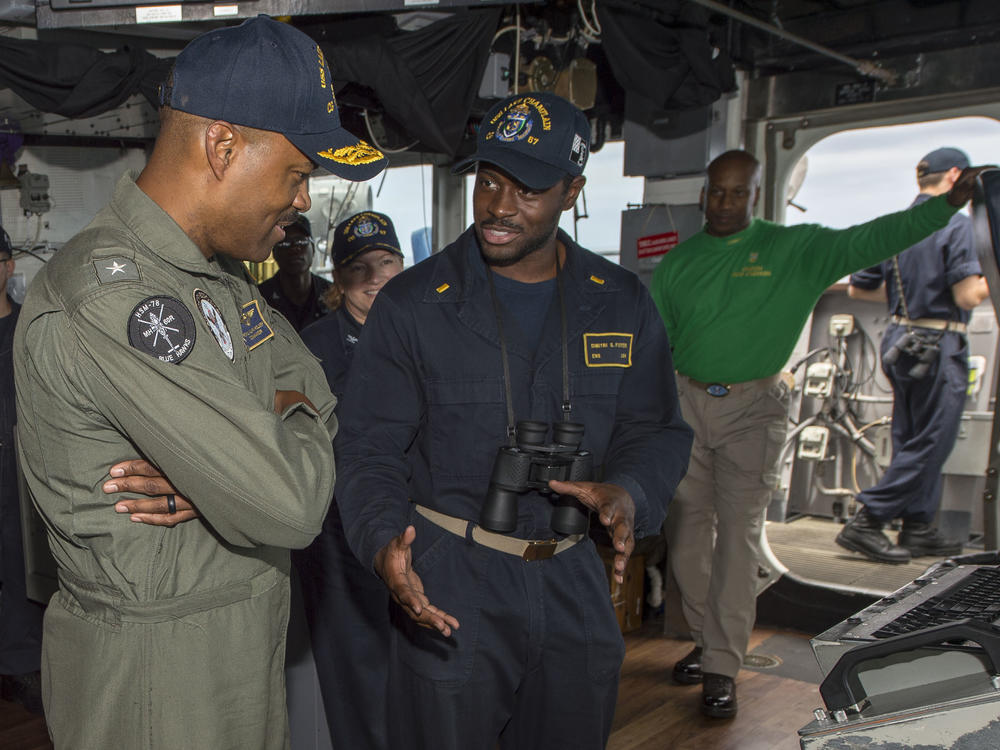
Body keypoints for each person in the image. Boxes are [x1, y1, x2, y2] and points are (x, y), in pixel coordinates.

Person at [12, 15, 385, 748]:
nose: (304, 201)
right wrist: (245, 465)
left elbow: (311, 380)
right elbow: (289, 503)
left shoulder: (218, 276)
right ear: (222, 146)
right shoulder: (110, 296)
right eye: (298, 173)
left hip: (237, 650)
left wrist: (226, 466)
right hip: (161, 683)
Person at [334, 91, 693, 749]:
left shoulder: (619, 302)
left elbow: (656, 429)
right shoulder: (415, 305)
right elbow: (368, 447)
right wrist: (382, 538)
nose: (499, 206)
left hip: (572, 580)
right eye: (489, 181)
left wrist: (629, 494)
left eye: (527, 188)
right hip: (449, 583)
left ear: (572, 190)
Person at [651, 149, 986, 719]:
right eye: (716, 192)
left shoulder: (795, 249)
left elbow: (875, 237)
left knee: (736, 540)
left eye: (737, 192)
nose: (725, 202)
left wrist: (948, 206)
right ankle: (710, 640)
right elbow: (657, 347)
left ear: (756, 195)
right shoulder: (676, 265)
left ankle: (721, 666)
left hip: (754, 409)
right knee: (686, 541)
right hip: (686, 405)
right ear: (703, 194)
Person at [839, 147, 989, 563]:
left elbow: (858, 287)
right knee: (932, 441)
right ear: (956, 175)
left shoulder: (898, 225)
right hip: (939, 344)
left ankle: (917, 527)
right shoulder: (956, 226)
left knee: (910, 437)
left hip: (899, 338)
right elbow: (967, 292)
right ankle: (869, 519)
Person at [293, 210, 404, 750]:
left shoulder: (425, 332)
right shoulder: (312, 347)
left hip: (413, 524)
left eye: (386, 261)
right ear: (338, 279)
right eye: (360, 268)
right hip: (338, 537)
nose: (377, 277)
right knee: (355, 678)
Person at [0, 226, 44, 716]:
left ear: (9, 266)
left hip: (20, 464)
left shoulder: (28, 329)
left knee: (20, 565)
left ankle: (21, 667)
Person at [258, 214, 333, 331]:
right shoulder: (260, 298)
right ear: (274, 253)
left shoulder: (333, 293)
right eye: (285, 243)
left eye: (301, 241)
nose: (294, 248)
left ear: (313, 249)